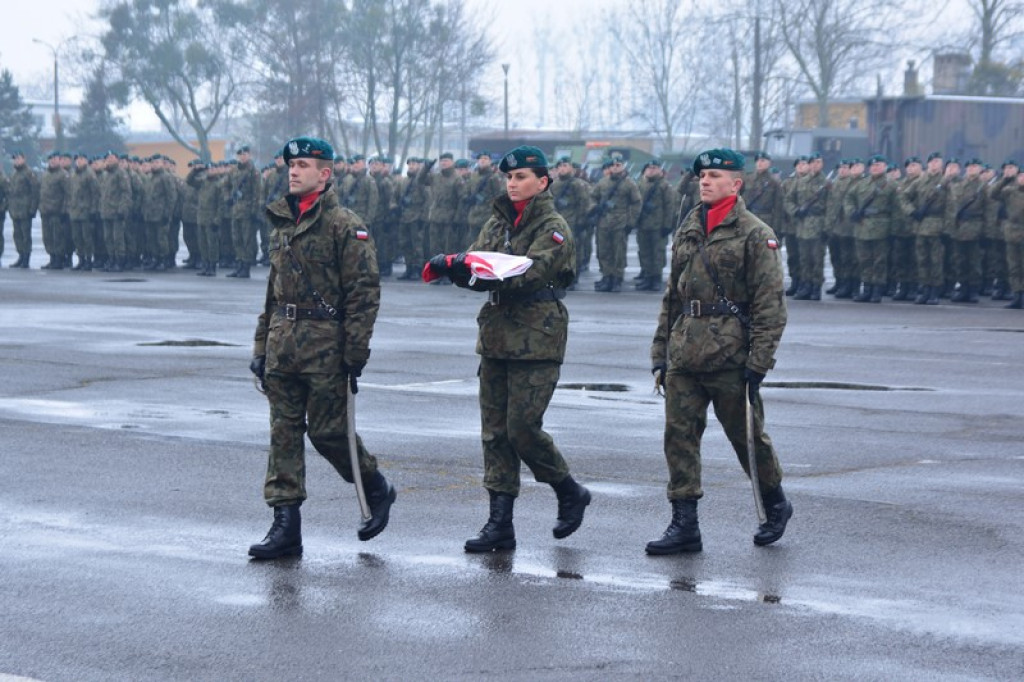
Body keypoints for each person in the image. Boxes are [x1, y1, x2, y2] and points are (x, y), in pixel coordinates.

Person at [426, 145, 590, 553]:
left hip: (537, 335)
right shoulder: (498, 223)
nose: (512, 184)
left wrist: (474, 265)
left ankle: (568, 489)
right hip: (498, 334)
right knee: (495, 434)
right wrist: (458, 270)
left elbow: (525, 273)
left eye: (521, 177)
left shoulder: (553, 228)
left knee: (522, 429)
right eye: (509, 178)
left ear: (543, 182)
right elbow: (483, 275)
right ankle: (500, 523)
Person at [248, 136, 395, 559]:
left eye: (304, 165)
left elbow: (364, 293)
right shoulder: (282, 222)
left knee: (329, 433)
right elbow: (274, 294)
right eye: (291, 165)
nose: (294, 171)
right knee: (283, 436)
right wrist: (262, 345)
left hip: (326, 348)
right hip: (283, 347)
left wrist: (355, 353)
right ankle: (285, 527)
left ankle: (375, 486)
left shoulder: (345, 225)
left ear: (325, 174)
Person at [648, 148, 791, 554]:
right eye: (701, 176)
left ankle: (775, 502)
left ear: (736, 183)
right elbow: (673, 298)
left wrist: (759, 361)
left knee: (747, 439)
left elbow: (770, 305)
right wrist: (660, 351)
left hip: (731, 355)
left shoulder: (753, 232)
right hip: (685, 352)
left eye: (713, 175)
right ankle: (684, 524)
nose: (705, 181)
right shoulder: (689, 227)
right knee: (678, 438)